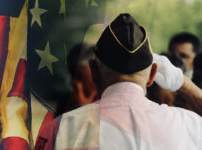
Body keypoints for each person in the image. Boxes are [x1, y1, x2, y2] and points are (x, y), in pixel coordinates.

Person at [35, 13, 202, 150]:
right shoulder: (189, 125)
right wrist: (183, 82)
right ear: (152, 74)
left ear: (93, 70)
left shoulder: (58, 130)